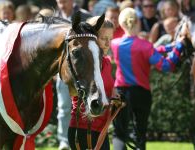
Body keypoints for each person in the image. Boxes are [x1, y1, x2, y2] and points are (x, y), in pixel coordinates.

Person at [110, 8, 186, 150]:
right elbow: (166, 65)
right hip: (141, 94)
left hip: (120, 92)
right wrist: (179, 46)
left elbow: (149, 50)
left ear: (121, 24)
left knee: (119, 134)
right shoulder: (145, 46)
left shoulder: (115, 44)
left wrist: (172, 46)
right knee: (140, 133)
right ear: (138, 23)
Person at [68, 17, 116, 150]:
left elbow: (108, 90)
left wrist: (117, 97)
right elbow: (74, 91)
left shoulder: (106, 63)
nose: (107, 43)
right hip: (83, 129)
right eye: (103, 38)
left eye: (110, 39)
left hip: (101, 129)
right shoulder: (84, 64)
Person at [54, 1, 92, 149]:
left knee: (85, 107)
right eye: (59, 1)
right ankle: (64, 141)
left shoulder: (85, 16)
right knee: (63, 107)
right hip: (64, 73)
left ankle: (85, 139)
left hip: (83, 72)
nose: (62, 3)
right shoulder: (55, 18)